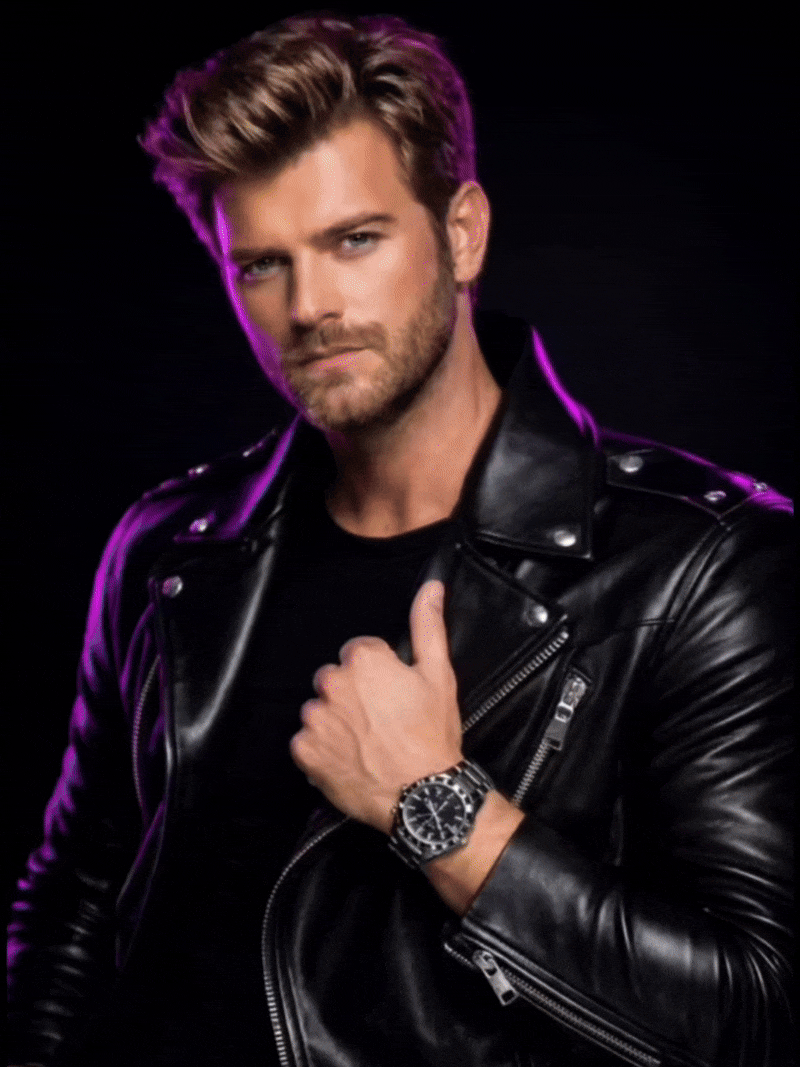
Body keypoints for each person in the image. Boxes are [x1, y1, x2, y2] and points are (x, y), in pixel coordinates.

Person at [7, 12, 794, 1067]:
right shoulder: (170, 552)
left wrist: (440, 808)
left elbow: (756, 1015)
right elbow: (74, 900)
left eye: (354, 240)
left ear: (461, 232)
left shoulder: (698, 568)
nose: (310, 307)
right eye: (262, 265)